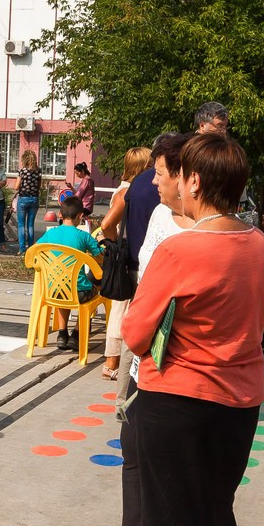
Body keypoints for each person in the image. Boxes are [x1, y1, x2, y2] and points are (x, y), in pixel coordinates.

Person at [120, 130, 264, 526]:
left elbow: (136, 333)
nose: (174, 181)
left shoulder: (180, 250)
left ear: (196, 182)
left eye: (180, 174)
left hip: (178, 401)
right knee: (216, 515)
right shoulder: (257, 243)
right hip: (239, 403)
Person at [98, 131, 190, 526]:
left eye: (160, 174)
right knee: (134, 448)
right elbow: (148, 279)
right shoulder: (158, 214)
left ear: (188, 179)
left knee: (184, 466)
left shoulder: (233, 231)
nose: (153, 183)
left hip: (192, 367)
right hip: (148, 350)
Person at [96, 146, 153, 380]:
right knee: (121, 308)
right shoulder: (128, 191)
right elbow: (107, 224)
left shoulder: (128, 188)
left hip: (128, 254)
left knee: (121, 308)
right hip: (127, 256)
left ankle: (114, 362)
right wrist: (115, 244)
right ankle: (111, 363)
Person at [38, 191, 102, 350]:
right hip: (79, 294)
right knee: (96, 286)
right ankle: (76, 334)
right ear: (80, 216)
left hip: (52, 291)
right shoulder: (84, 236)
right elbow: (100, 256)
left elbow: (34, 251)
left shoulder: (50, 233)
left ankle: (62, 332)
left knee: (63, 286)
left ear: (60, 214)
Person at [13, 149, 45, 253]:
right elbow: (39, 186)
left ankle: (22, 249)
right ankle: (31, 248)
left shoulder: (22, 171)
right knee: (30, 225)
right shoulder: (38, 171)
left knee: (21, 224)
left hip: (23, 198)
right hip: (34, 198)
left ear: (24, 159)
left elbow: (16, 187)